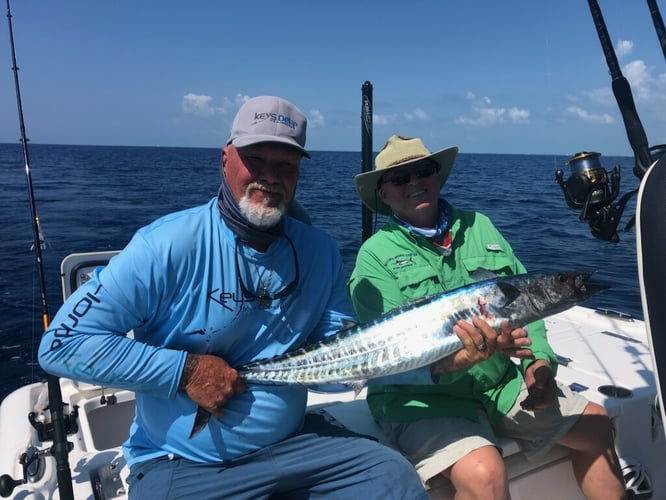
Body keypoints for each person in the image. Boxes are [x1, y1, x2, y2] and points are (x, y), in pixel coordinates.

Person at [38, 98, 428, 500]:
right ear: (225, 159)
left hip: (297, 444)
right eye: (255, 159)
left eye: (285, 166)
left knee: (396, 479)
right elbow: (61, 344)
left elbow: (341, 360)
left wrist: (434, 359)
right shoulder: (164, 246)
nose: (269, 177)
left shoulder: (320, 251)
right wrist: (186, 371)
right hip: (181, 460)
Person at [347, 135, 628, 500]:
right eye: (400, 179)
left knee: (596, 426)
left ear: (438, 175)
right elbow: (388, 359)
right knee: (484, 473)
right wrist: (463, 358)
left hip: (499, 383)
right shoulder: (374, 255)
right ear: (383, 195)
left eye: (423, 170)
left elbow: (530, 308)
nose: (415, 182)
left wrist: (539, 364)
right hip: (419, 398)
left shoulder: (479, 226)